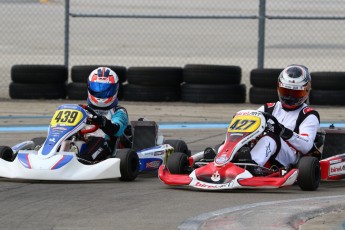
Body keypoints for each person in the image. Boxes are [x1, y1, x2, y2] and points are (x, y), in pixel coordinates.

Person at [249, 64, 320, 168]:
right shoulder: (268, 108)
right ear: (279, 88)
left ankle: (252, 166)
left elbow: (306, 146)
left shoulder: (308, 115)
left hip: (290, 157)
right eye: (286, 92)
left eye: (295, 93)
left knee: (271, 138)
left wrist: (284, 133)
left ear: (306, 91)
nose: (289, 97)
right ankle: (223, 161)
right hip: (266, 150)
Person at [79, 67, 128, 162]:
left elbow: (117, 130)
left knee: (98, 141)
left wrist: (103, 122)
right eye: (97, 89)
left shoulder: (119, 111)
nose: (101, 94)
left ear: (115, 89)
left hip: (106, 145)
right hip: (82, 141)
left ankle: (84, 160)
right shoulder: (82, 110)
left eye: (105, 91)